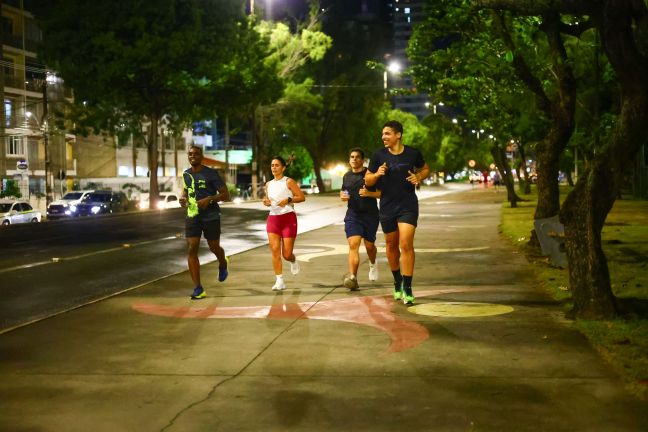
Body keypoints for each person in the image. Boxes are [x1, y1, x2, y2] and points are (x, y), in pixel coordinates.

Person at [365, 120, 430, 305]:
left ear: (398, 135)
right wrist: (377, 174)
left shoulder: (412, 153)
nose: (383, 137)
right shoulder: (378, 155)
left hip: (408, 204)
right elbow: (368, 180)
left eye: (387, 133)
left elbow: (425, 168)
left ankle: (408, 287)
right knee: (391, 245)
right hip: (387, 205)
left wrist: (419, 176)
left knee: (406, 242)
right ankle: (397, 280)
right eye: (383, 134)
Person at [179, 145, 230, 300]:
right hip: (193, 215)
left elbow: (225, 194)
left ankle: (222, 262)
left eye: (195, 154)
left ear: (201, 156)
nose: (192, 156)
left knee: (213, 246)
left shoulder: (211, 173)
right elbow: (187, 191)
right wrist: (183, 199)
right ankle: (198, 288)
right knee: (192, 247)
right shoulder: (186, 174)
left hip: (211, 216)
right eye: (190, 154)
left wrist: (210, 199)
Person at [340, 148, 381, 290]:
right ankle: (353, 278)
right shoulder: (346, 176)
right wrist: (343, 195)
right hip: (353, 215)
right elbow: (344, 189)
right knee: (353, 244)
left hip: (370, 215)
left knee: (370, 246)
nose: (354, 159)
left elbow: (382, 194)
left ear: (363, 160)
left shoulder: (370, 175)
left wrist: (369, 193)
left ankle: (373, 263)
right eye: (352, 157)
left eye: (357, 157)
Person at [263, 156, 306, 291]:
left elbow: (302, 197)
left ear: (283, 167)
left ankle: (293, 260)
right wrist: (266, 202)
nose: (274, 168)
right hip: (273, 219)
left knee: (286, 254)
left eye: (276, 165)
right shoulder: (268, 184)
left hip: (288, 219)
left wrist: (288, 199)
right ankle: (279, 280)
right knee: (275, 251)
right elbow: (268, 199)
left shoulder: (288, 182)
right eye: (272, 165)